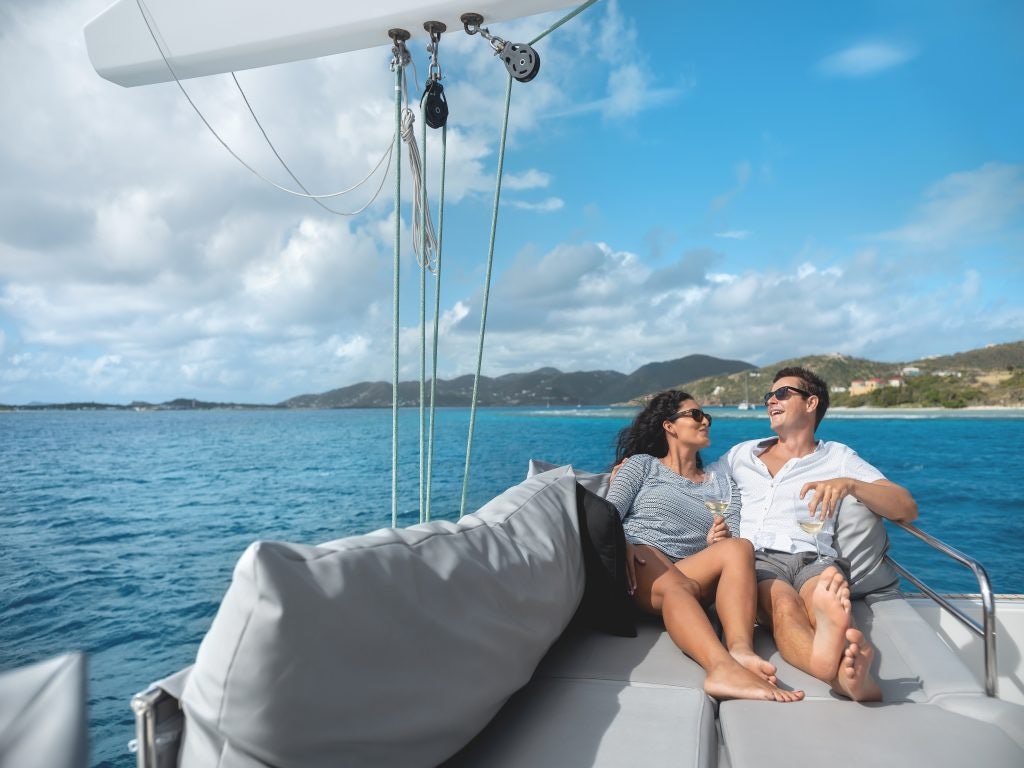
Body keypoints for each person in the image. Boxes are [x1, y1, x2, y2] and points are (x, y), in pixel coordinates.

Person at [710, 367, 918, 701]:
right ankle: (843, 678)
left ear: (811, 403)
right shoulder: (741, 455)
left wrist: (850, 483)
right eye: (769, 396)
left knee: (821, 594)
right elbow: (693, 480)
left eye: (781, 394)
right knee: (783, 604)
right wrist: (639, 465)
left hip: (816, 557)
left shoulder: (838, 457)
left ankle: (829, 626)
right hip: (759, 559)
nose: (770, 401)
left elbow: (906, 508)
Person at [607, 390, 804, 702]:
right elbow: (608, 512)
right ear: (669, 426)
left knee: (739, 547)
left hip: (690, 573)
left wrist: (719, 541)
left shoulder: (722, 484)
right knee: (675, 584)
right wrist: (621, 541)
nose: (705, 422)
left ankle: (740, 650)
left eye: (707, 417)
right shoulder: (643, 466)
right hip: (642, 560)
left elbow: (733, 545)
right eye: (696, 415)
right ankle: (720, 668)